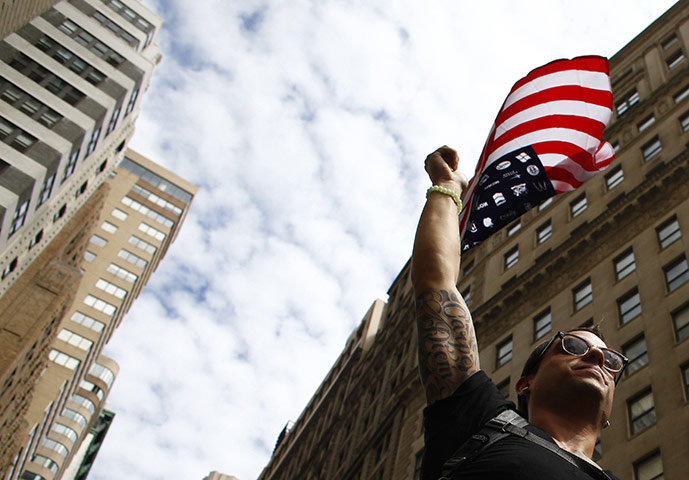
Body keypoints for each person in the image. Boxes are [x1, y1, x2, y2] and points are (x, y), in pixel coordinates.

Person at [411, 146, 627, 480]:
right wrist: (447, 187)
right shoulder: (481, 421)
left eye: (611, 360)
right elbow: (435, 282)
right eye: (572, 346)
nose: (597, 357)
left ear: (609, 414)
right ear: (526, 384)